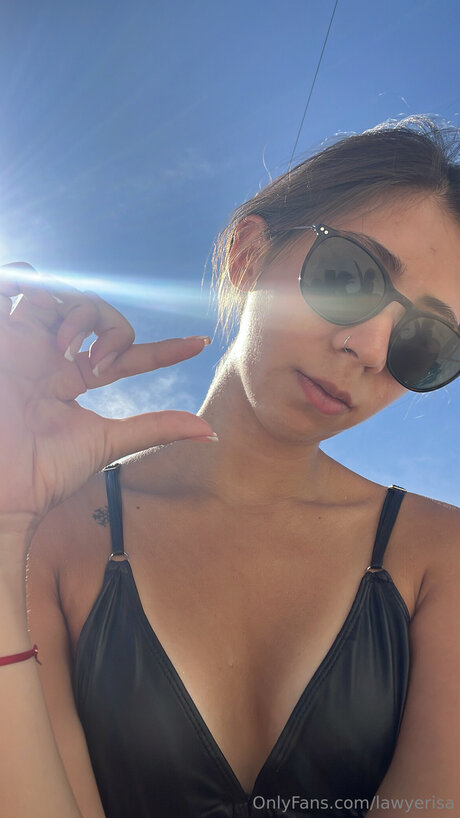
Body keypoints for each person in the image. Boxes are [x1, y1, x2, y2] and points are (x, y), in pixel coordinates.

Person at [1, 115, 458, 818]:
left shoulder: (441, 556)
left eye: (425, 342)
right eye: (348, 276)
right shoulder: (48, 537)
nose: (369, 349)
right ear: (248, 255)